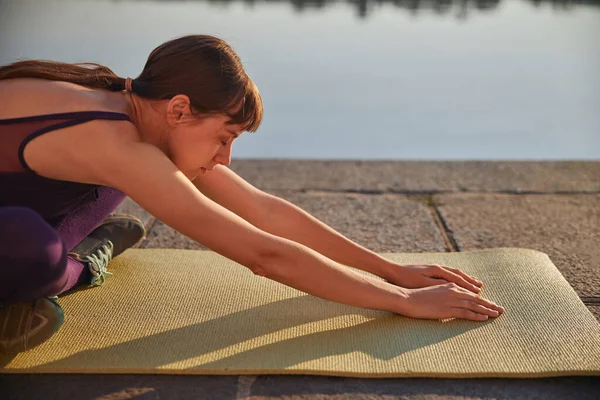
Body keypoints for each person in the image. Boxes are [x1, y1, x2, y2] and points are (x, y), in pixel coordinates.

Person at [0, 34, 504, 354]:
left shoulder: (132, 108)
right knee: (31, 248)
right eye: (225, 138)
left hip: (23, 197)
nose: (225, 159)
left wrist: (392, 270)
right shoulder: (116, 141)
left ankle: (78, 242)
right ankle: (83, 263)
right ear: (179, 108)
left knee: (107, 191)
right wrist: (403, 301)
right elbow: (263, 255)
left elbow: (262, 211)